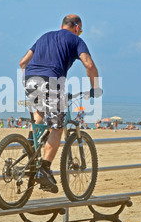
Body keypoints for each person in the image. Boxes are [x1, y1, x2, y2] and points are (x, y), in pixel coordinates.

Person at [19, 14, 102, 193]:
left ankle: (30, 145)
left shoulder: (44, 36)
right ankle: (44, 169)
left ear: (62, 25)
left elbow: (23, 62)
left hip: (30, 78)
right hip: (52, 80)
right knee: (57, 127)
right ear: (77, 28)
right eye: (81, 30)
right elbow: (89, 65)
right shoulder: (75, 40)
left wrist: (33, 77)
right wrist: (95, 87)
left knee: (39, 112)